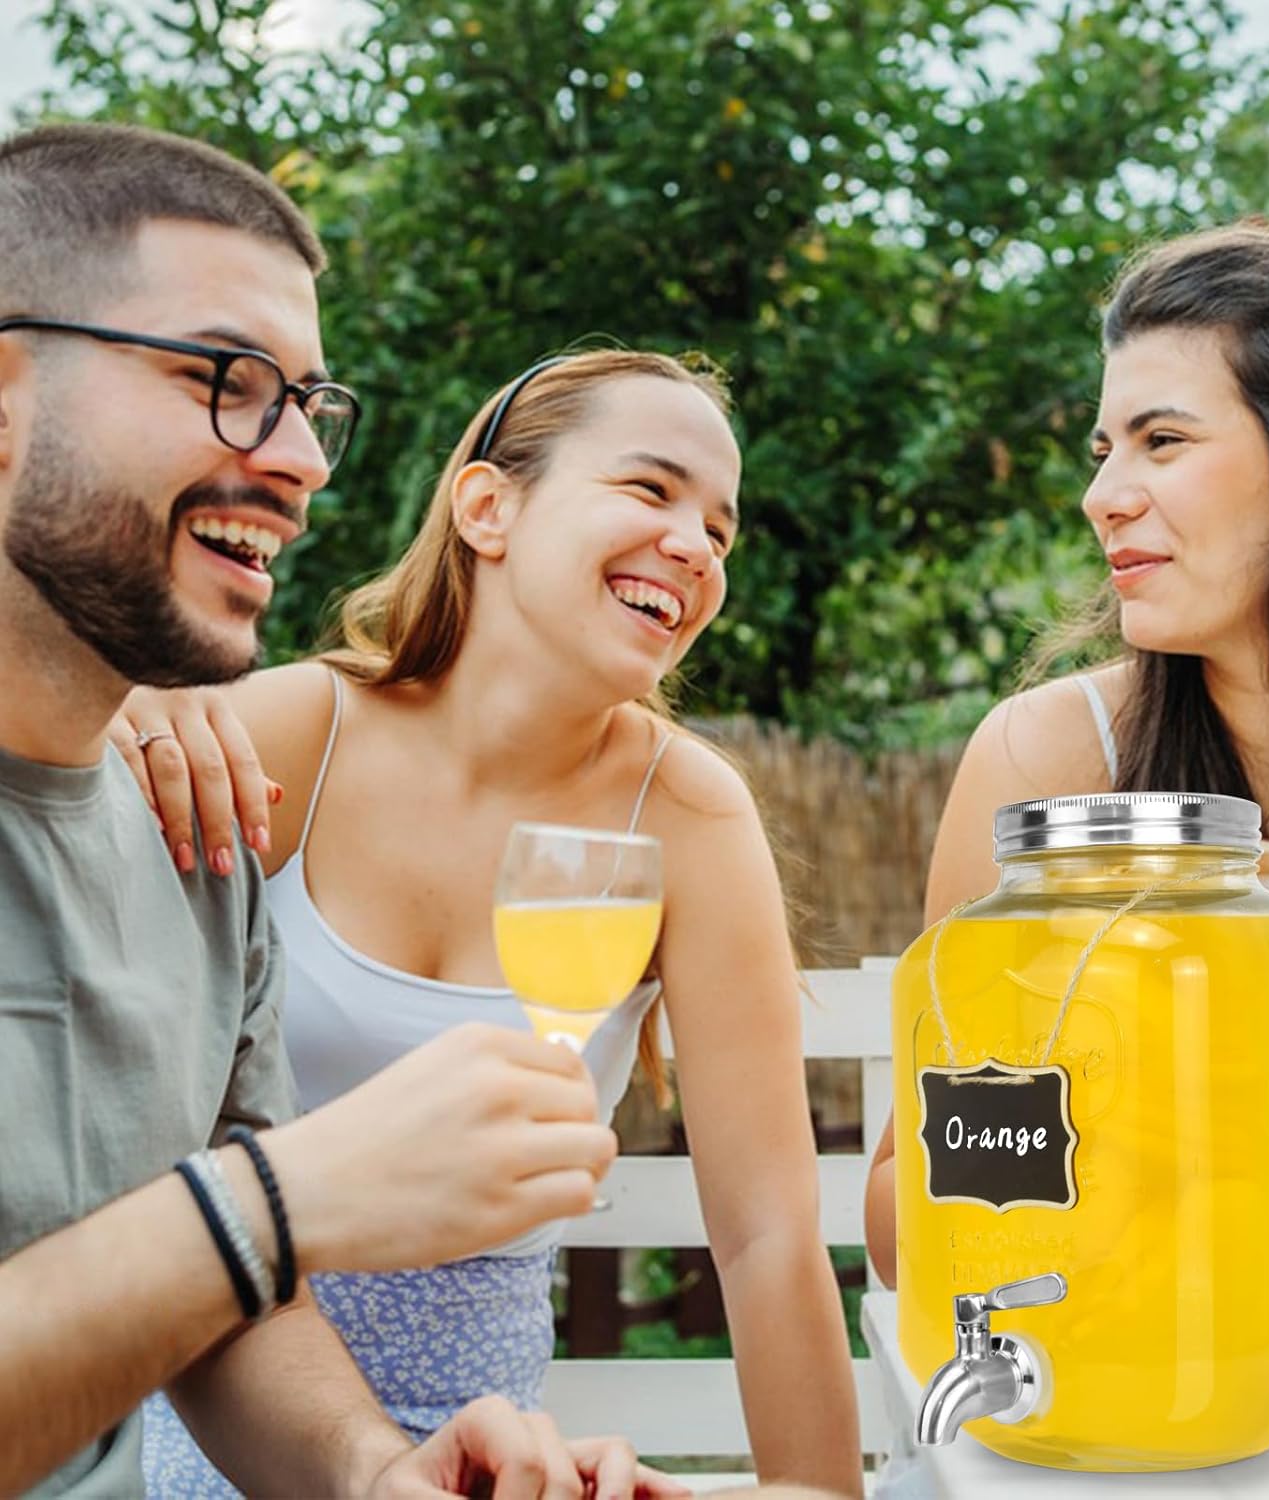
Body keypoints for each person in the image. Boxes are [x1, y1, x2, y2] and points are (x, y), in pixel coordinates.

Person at [0, 121, 687, 1500]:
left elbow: (222, 1311)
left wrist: (379, 1473)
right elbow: (242, 1236)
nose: (304, 461)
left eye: (310, 405)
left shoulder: (200, 844)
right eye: (225, 380)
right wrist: (279, 1203)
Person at [112, 350, 864, 1495]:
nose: (698, 547)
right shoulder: (295, 736)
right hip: (200, 1412)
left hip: (484, 1462)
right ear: (487, 507)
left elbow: (767, 1238)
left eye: (722, 530)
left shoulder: (690, 817)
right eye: (651, 489)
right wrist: (125, 705)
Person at [864, 220, 1269, 1290]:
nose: (1102, 496)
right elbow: (903, 1230)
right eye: (1104, 450)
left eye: (1161, 441)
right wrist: (1105, 1079)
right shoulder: (1047, 759)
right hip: (1140, 1357)